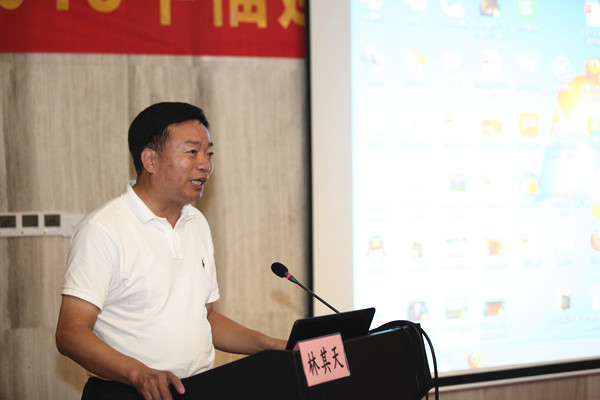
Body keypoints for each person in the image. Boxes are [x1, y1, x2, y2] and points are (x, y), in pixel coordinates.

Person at [55, 102, 286, 400]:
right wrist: (137, 373)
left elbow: (205, 317)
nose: (205, 165)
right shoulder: (103, 228)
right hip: (128, 391)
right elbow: (70, 333)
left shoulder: (196, 222)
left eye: (209, 154)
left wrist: (268, 345)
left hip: (196, 388)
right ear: (150, 160)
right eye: (192, 152)